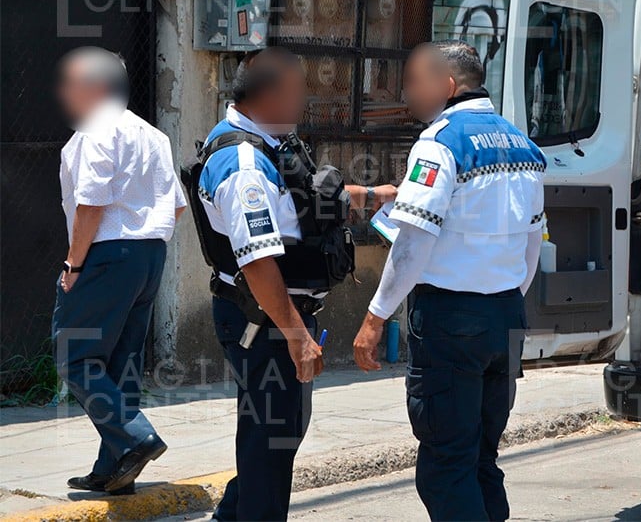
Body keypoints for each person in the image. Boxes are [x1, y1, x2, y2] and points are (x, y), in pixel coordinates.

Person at [186, 47, 391, 520]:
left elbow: (306, 201)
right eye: (299, 92)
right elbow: (257, 261)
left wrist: (377, 196)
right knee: (270, 445)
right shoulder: (242, 163)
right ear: (270, 95)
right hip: (264, 320)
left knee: (279, 434)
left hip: (278, 318)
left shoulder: (272, 143)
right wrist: (297, 336)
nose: (305, 103)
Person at [353, 40, 545, 522]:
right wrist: (503, 299)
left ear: (448, 85)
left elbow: (413, 241)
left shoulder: (440, 143)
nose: (408, 93)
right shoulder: (524, 145)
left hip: (452, 319)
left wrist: (375, 317)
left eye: (415, 82)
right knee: (483, 456)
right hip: (506, 317)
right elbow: (532, 243)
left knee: (446, 464)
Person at [54, 47, 186, 494]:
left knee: (75, 356)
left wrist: (75, 263)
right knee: (121, 362)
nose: (65, 92)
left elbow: (91, 204)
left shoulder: (96, 130)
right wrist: (144, 240)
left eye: (71, 83)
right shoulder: (152, 134)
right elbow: (176, 208)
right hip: (150, 254)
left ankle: (136, 436)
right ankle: (114, 470)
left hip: (107, 252)